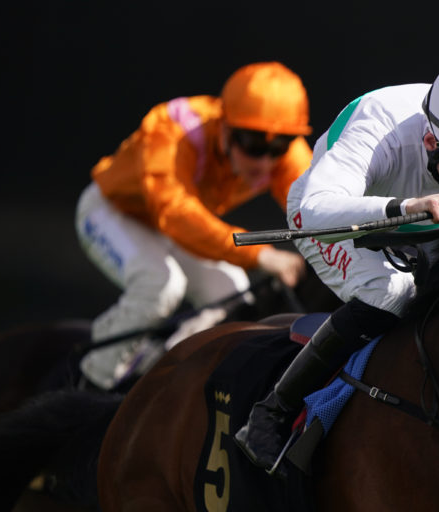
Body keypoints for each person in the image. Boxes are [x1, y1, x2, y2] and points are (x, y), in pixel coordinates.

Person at [234, 57, 439, 473]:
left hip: (424, 222)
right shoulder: (379, 127)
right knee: (392, 293)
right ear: (430, 141)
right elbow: (318, 208)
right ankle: (272, 414)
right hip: (330, 220)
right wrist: (410, 206)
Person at [76, 62, 312, 390]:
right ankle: (88, 386)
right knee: (160, 286)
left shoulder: (282, 154)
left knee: (233, 296)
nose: (265, 162)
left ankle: (160, 384)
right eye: (253, 144)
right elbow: (174, 214)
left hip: (176, 228)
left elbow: (317, 210)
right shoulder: (173, 129)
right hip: (113, 212)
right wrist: (261, 254)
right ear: (226, 128)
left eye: (279, 147)